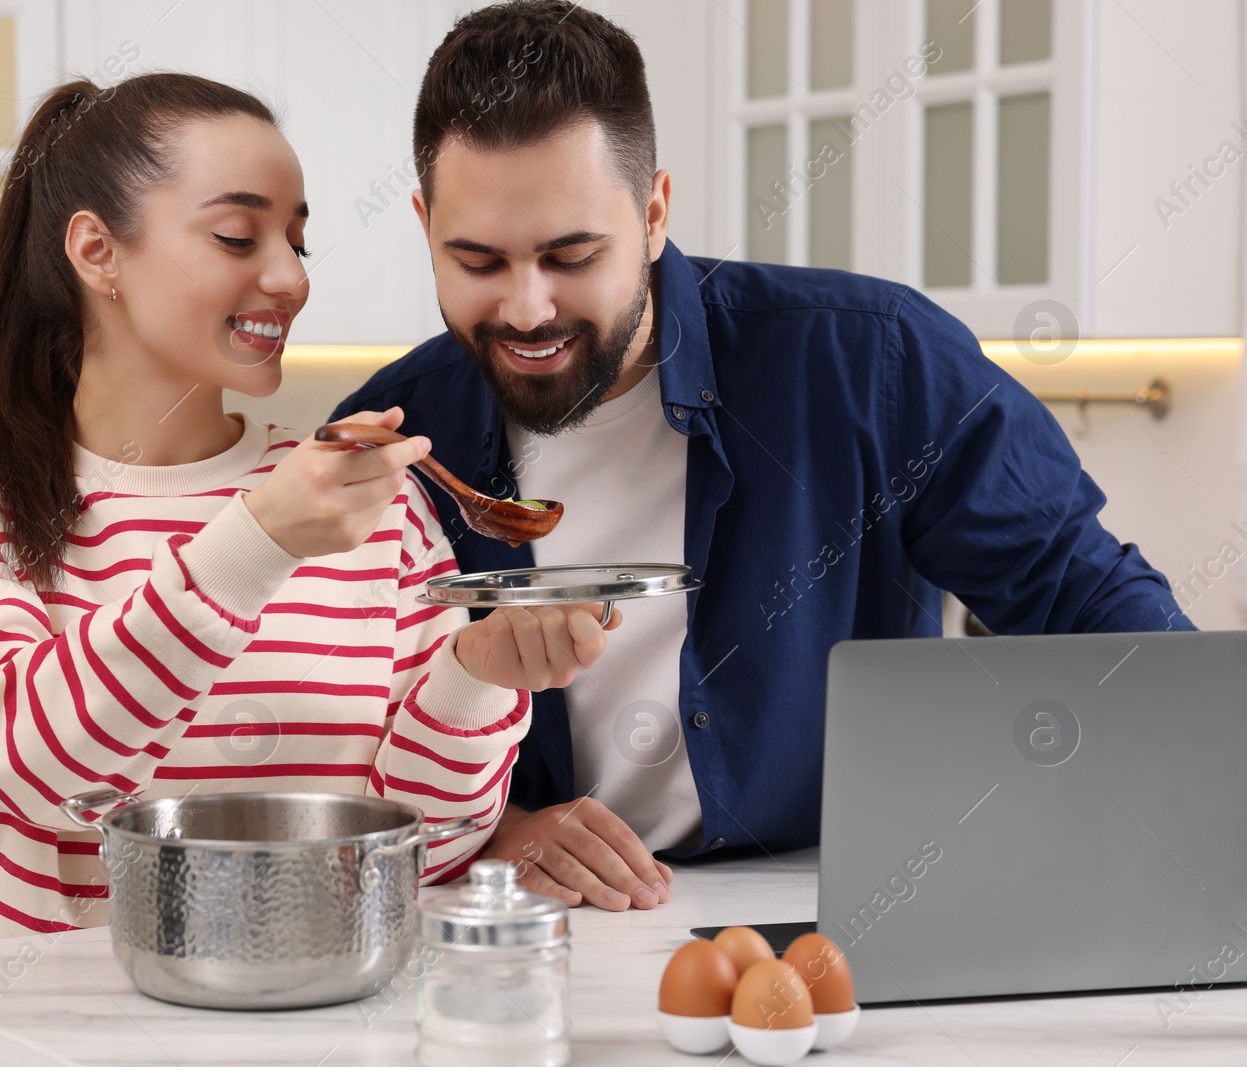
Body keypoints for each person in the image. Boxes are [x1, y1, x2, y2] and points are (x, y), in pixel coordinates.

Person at [331, 1, 1193, 913]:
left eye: (572, 254)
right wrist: (485, 834)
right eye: (476, 262)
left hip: (840, 917)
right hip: (522, 927)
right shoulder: (391, 437)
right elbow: (328, 753)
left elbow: (1095, 612)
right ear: (424, 224)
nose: (528, 309)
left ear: (655, 213)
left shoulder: (874, 363)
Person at [0, 73, 618, 943]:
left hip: (321, 1013)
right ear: (97, 251)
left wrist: (475, 674)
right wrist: (254, 545)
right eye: (236, 235)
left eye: (298, 240)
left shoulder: (370, 504)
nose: (288, 277)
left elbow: (421, 852)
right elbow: (12, 772)